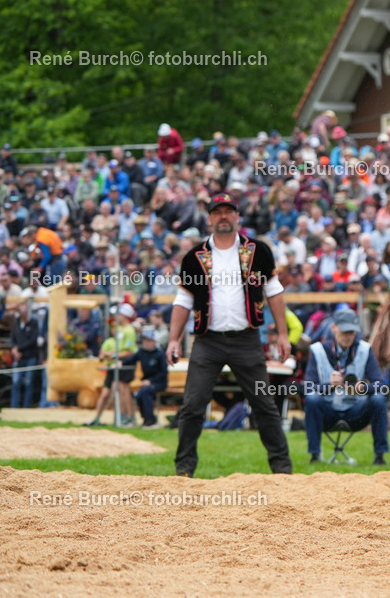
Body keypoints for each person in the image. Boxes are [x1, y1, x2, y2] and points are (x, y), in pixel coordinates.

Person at [166, 192, 292, 477]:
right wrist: (173, 339)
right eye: (217, 212)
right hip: (207, 340)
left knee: (264, 403)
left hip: (247, 339)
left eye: (228, 212)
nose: (223, 217)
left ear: (237, 216)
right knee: (192, 405)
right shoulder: (194, 257)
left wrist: (283, 335)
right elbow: (183, 300)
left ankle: (282, 468)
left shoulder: (258, 251)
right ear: (209, 218)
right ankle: (183, 469)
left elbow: (274, 292)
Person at [303, 308, 389, 465]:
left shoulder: (364, 349)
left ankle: (380, 456)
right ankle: (315, 455)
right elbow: (307, 387)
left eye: (352, 332)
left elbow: (381, 384)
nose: (348, 336)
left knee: (378, 398)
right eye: (344, 331)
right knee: (312, 398)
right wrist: (329, 385)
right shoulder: (318, 350)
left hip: (355, 412)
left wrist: (362, 388)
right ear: (333, 327)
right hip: (327, 412)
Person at [87, 302, 138, 426]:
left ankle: (128, 417)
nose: (116, 317)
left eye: (119, 314)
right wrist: (110, 354)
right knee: (109, 392)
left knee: (124, 390)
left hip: (125, 364)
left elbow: (130, 351)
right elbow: (117, 349)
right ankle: (98, 419)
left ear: (124, 315)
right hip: (114, 365)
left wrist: (114, 355)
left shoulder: (129, 330)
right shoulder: (120, 329)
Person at [127, 327, 169, 428]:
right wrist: (120, 362)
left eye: (148, 340)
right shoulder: (141, 352)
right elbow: (130, 360)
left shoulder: (160, 354)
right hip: (146, 382)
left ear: (154, 341)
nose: (146, 343)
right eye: (144, 340)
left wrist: (151, 381)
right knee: (139, 394)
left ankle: (150, 421)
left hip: (159, 382)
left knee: (145, 392)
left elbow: (164, 372)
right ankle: (147, 419)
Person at [10, 303, 41, 408]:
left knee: (29, 383)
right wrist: (14, 350)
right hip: (18, 358)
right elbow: (13, 340)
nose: (24, 312)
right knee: (15, 383)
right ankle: (14, 407)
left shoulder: (34, 323)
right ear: (18, 312)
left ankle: (26, 407)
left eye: (25, 310)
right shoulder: (16, 324)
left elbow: (32, 341)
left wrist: (18, 349)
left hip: (30, 357)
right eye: (22, 310)